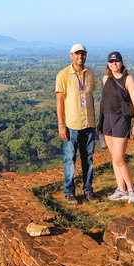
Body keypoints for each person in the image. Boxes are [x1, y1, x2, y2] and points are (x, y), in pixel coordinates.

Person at [55, 43, 99, 204]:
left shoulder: (91, 73)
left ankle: (88, 189)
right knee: (69, 159)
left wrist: (94, 122)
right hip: (71, 124)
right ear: (71, 56)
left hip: (88, 123)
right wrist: (61, 125)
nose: (80, 57)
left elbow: (90, 98)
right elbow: (59, 101)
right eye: (77, 54)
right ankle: (69, 191)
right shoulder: (64, 75)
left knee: (88, 159)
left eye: (83, 54)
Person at [97, 51, 134, 203]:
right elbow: (104, 102)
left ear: (122, 63)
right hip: (107, 119)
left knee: (119, 158)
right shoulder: (105, 79)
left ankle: (132, 190)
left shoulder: (128, 79)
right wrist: (100, 121)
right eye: (111, 62)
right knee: (114, 159)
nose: (114, 64)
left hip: (121, 119)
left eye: (117, 61)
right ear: (108, 64)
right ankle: (121, 189)